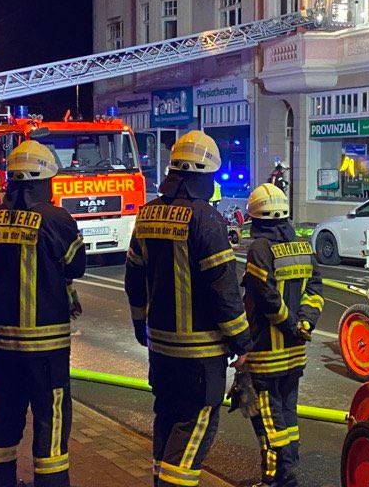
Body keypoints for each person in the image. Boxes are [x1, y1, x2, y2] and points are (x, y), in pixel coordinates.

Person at [125, 130, 250, 487]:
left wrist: (140, 327)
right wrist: (242, 343)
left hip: (161, 352)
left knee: (166, 422)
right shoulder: (206, 219)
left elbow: (133, 279)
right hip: (200, 357)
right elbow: (224, 291)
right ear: (203, 176)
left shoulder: (147, 215)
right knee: (194, 433)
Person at [0, 140, 86, 487]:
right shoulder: (55, 219)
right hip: (46, 351)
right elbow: (76, 265)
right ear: (42, 181)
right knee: (50, 426)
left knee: (3, 419)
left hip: (4, 345)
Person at [239, 183, 323, 487]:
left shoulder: (260, 248)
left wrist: (289, 325)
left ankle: (276, 479)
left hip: (266, 355)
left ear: (256, 218)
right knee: (288, 416)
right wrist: (305, 324)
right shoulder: (303, 246)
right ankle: (289, 471)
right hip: (295, 353)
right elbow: (315, 290)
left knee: (270, 423)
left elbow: (266, 298)